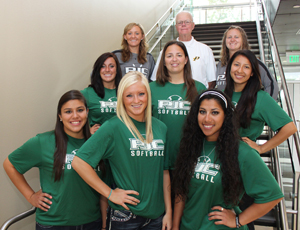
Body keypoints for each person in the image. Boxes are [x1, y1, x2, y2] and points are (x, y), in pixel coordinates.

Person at [72, 71, 172, 230]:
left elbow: (165, 172)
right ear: (121, 99)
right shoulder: (113, 127)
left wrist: (169, 212)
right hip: (125, 217)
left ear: (148, 95)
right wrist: (110, 194)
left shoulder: (160, 127)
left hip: (156, 217)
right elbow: (79, 162)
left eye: (141, 94)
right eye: (129, 95)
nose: (137, 100)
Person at [172, 89, 284, 230]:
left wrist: (238, 220)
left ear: (226, 116)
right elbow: (181, 192)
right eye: (202, 112)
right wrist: (175, 226)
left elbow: (272, 195)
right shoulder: (190, 147)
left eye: (215, 112)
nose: (207, 119)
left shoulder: (242, 152)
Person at [3, 90, 107, 230]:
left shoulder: (96, 144)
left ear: (87, 112)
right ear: (60, 116)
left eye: (80, 110)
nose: (75, 116)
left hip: (91, 223)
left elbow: (102, 190)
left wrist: (105, 224)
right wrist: (31, 196)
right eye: (68, 111)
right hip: (53, 224)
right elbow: (10, 165)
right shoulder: (43, 142)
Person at [224, 50, 297, 230]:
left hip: (243, 165)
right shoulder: (222, 93)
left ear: (252, 73)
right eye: (236, 64)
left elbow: (290, 127)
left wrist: (262, 148)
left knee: (241, 214)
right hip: (222, 160)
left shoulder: (260, 98)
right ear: (229, 68)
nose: (240, 70)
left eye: (246, 67)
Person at [150, 40, 206, 171]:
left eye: (179, 55)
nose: (174, 59)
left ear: (186, 59)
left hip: (190, 158)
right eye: (169, 56)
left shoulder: (199, 88)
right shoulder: (151, 88)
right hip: (158, 157)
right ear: (163, 61)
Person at [151, 11, 216, 89]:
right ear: (176, 27)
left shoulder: (205, 50)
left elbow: (211, 80)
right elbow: (156, 78)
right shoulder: (165, 51)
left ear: (193, 25)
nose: (183, 25)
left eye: (187, 22)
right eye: (180, 22)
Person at [216, 25, 279, 100]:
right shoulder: (220, 65)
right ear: (225, 41)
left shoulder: (253, 62)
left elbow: (271, 85)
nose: (232, 40)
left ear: (243, 40)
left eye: (236, 37)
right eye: (229, 37)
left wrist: (264, 105)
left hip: (246, 109)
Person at [81, 52, 122, 134]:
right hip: (99, 140)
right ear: (98, 70)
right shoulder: (88, 93)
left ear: (117, 70)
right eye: (103, 66)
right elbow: (74, 116)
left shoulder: (125, 92)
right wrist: (87, 132)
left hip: (121, 139)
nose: (107, 70)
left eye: (111, 66)